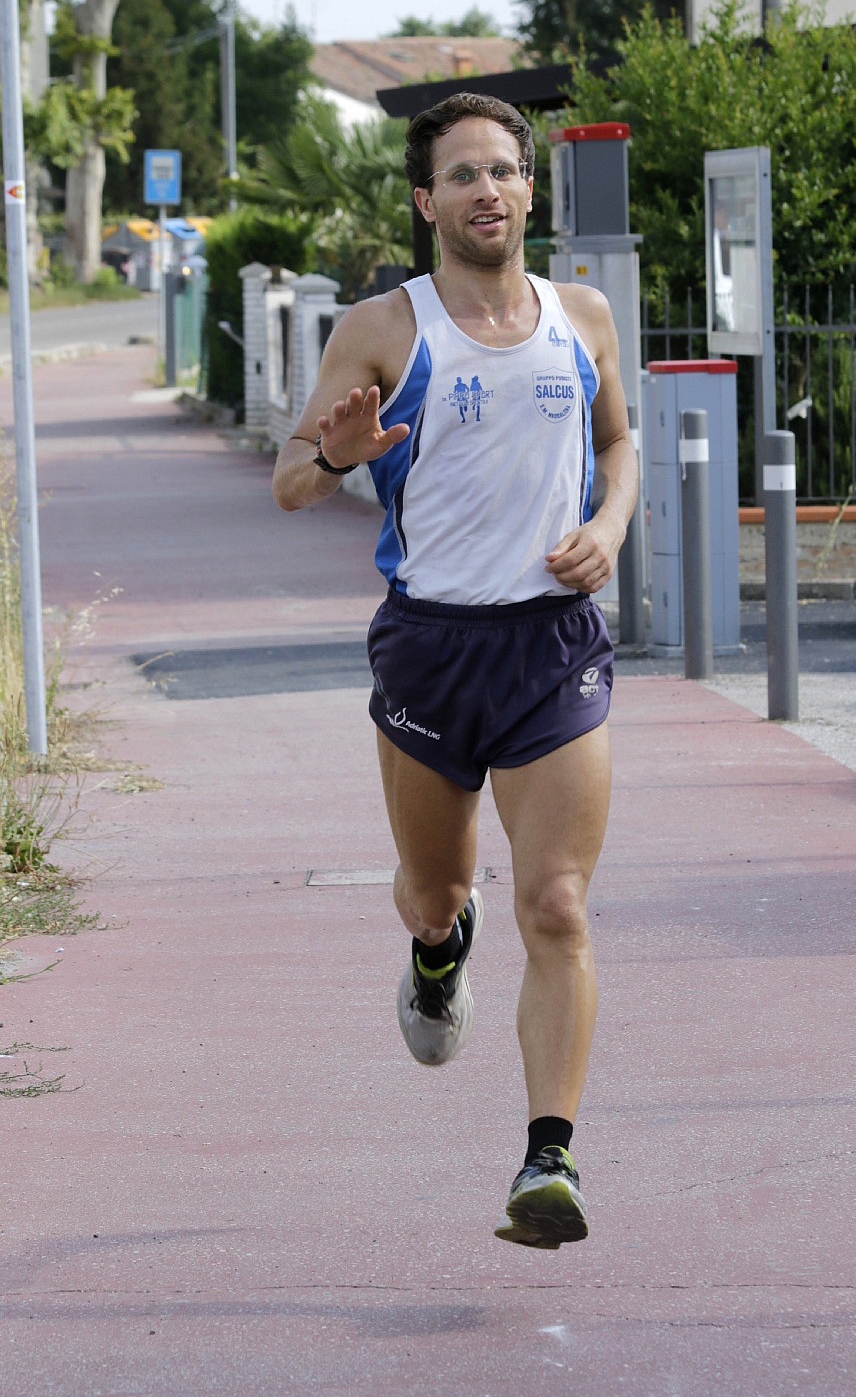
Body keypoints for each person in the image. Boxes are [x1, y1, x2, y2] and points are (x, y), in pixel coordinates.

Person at [272, 92, 638, 1249]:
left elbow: (618, 442)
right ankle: (437, 954)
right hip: (430, 646)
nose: (487, 190)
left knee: (558, 904)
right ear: (425, 200)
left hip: (552, 648)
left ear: (531, 190)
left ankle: (548, 1162)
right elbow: (290, 481)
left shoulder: (581, 317)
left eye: (504, 171)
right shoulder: (385, 326)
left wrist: (610, 529)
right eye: (462, 175)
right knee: (437, 893)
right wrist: (335, 454)